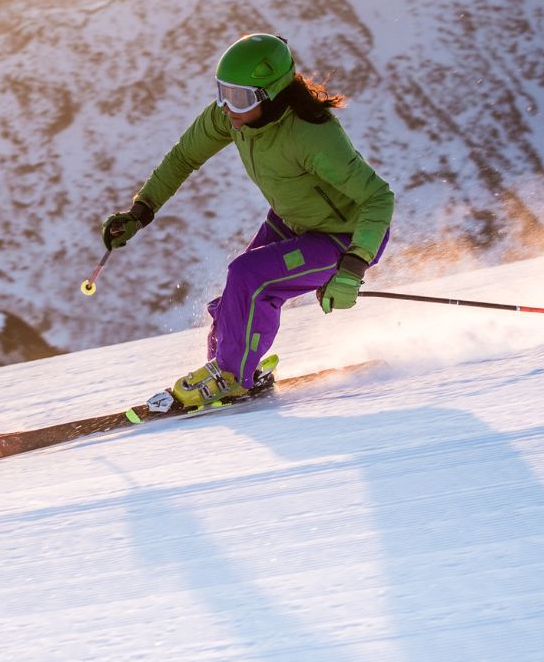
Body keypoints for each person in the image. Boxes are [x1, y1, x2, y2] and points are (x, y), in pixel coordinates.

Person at [100, 33, 394, 411]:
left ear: (270, 95)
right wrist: (140, 212)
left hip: (345, 236)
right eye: (223, 91)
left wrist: (353, 266)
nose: (226, 107)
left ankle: (231, 376)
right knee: (235, 301)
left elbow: (378, 197)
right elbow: (183, 158)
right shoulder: (232, 118)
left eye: (239, 97)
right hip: (294, 221)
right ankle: (231, 370)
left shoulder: (313, 135)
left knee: (249, 275)